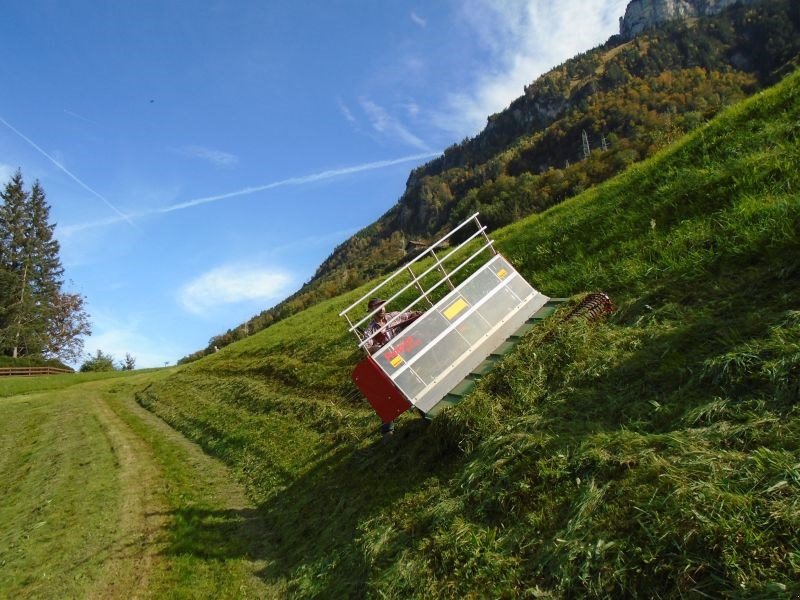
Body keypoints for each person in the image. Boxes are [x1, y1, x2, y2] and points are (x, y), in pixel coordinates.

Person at [363, 298, 423, 438]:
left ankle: (422, 406)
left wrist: (418, 314)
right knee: (393, 390)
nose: (381, 309)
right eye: (377, 307)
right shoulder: (370, 329)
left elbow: (409, 315)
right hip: (389, 360)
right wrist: (376, 347)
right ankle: (387, 428)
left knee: (414, 378)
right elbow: (367, 348)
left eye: (382, 306)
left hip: (406, 351)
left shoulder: (394, 316)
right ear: (371, 311)